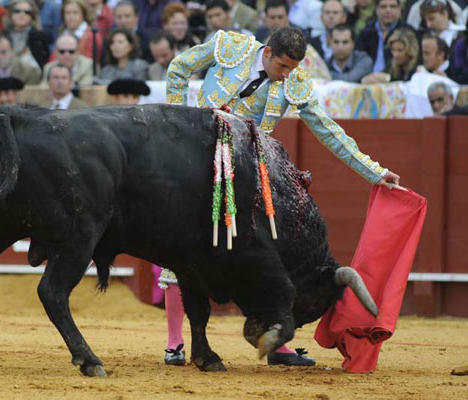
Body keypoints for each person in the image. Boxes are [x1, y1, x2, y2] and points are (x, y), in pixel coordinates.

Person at [166, 26, 400, 366]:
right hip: (198, 159)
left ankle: (277, 342)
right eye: (282, 67)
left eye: (292, 69)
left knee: (270, 254)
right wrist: (177, 124)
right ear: (268, 53)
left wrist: (375, 172)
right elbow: (178, 69)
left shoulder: (295, 80)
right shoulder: (229, 47)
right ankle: (175, 343)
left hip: (248, 171)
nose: (286, 75)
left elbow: (329, 131)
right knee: (180, 248)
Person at [356, 0, 413, 73]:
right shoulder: (367, 31)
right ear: (377, 9)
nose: (388, 10)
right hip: (367, 79)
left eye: (392, 6)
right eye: (383, 7)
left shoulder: (408, 32)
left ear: (399, 9)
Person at [2, 0, 50, 70]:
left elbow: (43, 62)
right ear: (10, 14)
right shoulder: (3, 36)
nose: (22, 15)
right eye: (17, 11)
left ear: (32, 17)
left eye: (27, 12)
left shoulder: (39, 38)